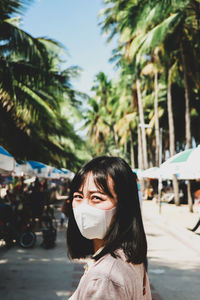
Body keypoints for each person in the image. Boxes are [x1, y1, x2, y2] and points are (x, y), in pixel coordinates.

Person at [67, 156, 152, 299]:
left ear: (123, 206)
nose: (84, 207)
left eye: (96, 197)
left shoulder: (105, 278)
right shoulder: (128, 257)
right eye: (78, 196)